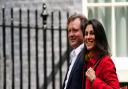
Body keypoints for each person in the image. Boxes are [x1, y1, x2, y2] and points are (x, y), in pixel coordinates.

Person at [82, 19, 120, 89]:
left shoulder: (106, 62)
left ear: (99, 36)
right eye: (86, 34)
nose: (87, 37)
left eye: (92, 33)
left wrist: (94, 80)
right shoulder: (87, 61)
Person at [62, 14, 87, 89]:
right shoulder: (74, 54)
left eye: (75, 30)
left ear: (84, 31)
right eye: (69, 31)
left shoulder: (87, 54)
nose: (71, 34)